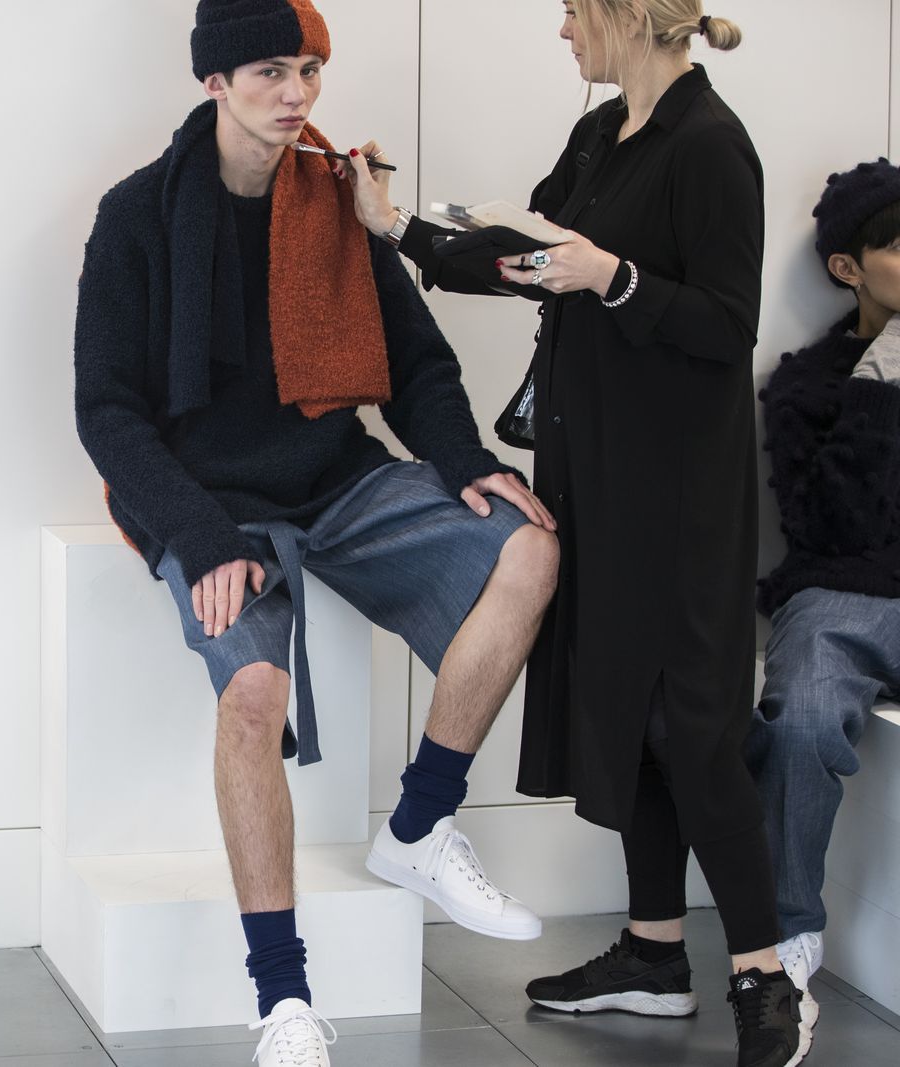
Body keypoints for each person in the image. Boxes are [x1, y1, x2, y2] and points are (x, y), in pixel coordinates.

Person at [74, 3, 560, 1062]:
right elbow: (105, 410)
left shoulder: (334, 201)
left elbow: (416, 362)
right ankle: (282, 996)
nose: (295, 94)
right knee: (254, 693)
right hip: (210, 502)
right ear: (214, 81)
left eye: (308, 69)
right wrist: (198, 534)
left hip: (335, 479)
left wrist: (465, 461)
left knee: (528, 547)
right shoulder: (137, 215)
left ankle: (419, 824)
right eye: (269, 71)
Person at [353, 2, 809, 1065]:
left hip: (680, 492)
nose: (563, 31)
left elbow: (726, 322)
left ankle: (763, 973)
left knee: (692, 728)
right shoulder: (602, 133)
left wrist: (612, 277)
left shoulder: (710, 146)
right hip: (594, 472)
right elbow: (526, 257)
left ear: (625, 14)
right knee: (631, 714)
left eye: (572, 10)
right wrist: (398, 229)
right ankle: (654, 954)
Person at [746, 158, 900, 1014]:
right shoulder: (806, 383)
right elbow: (832, 521)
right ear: (849, 268)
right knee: (800, 720)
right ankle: (788, 936)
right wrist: (886, 372)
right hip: (842, 598)